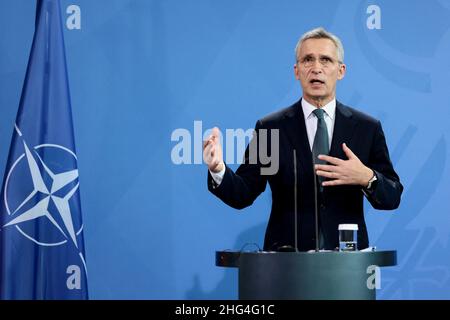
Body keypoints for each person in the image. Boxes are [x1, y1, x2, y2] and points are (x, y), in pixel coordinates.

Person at [203, 27, 403, 251]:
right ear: (297, 71)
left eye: (326, 60)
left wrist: (367, 177)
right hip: (287, 265)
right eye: (308, 60)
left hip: (347, 266)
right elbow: (243, 193)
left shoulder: (367, 128)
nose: (316, 68)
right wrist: (218, 168)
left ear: (341, 70)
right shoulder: (272, 129)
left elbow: (392, 196)